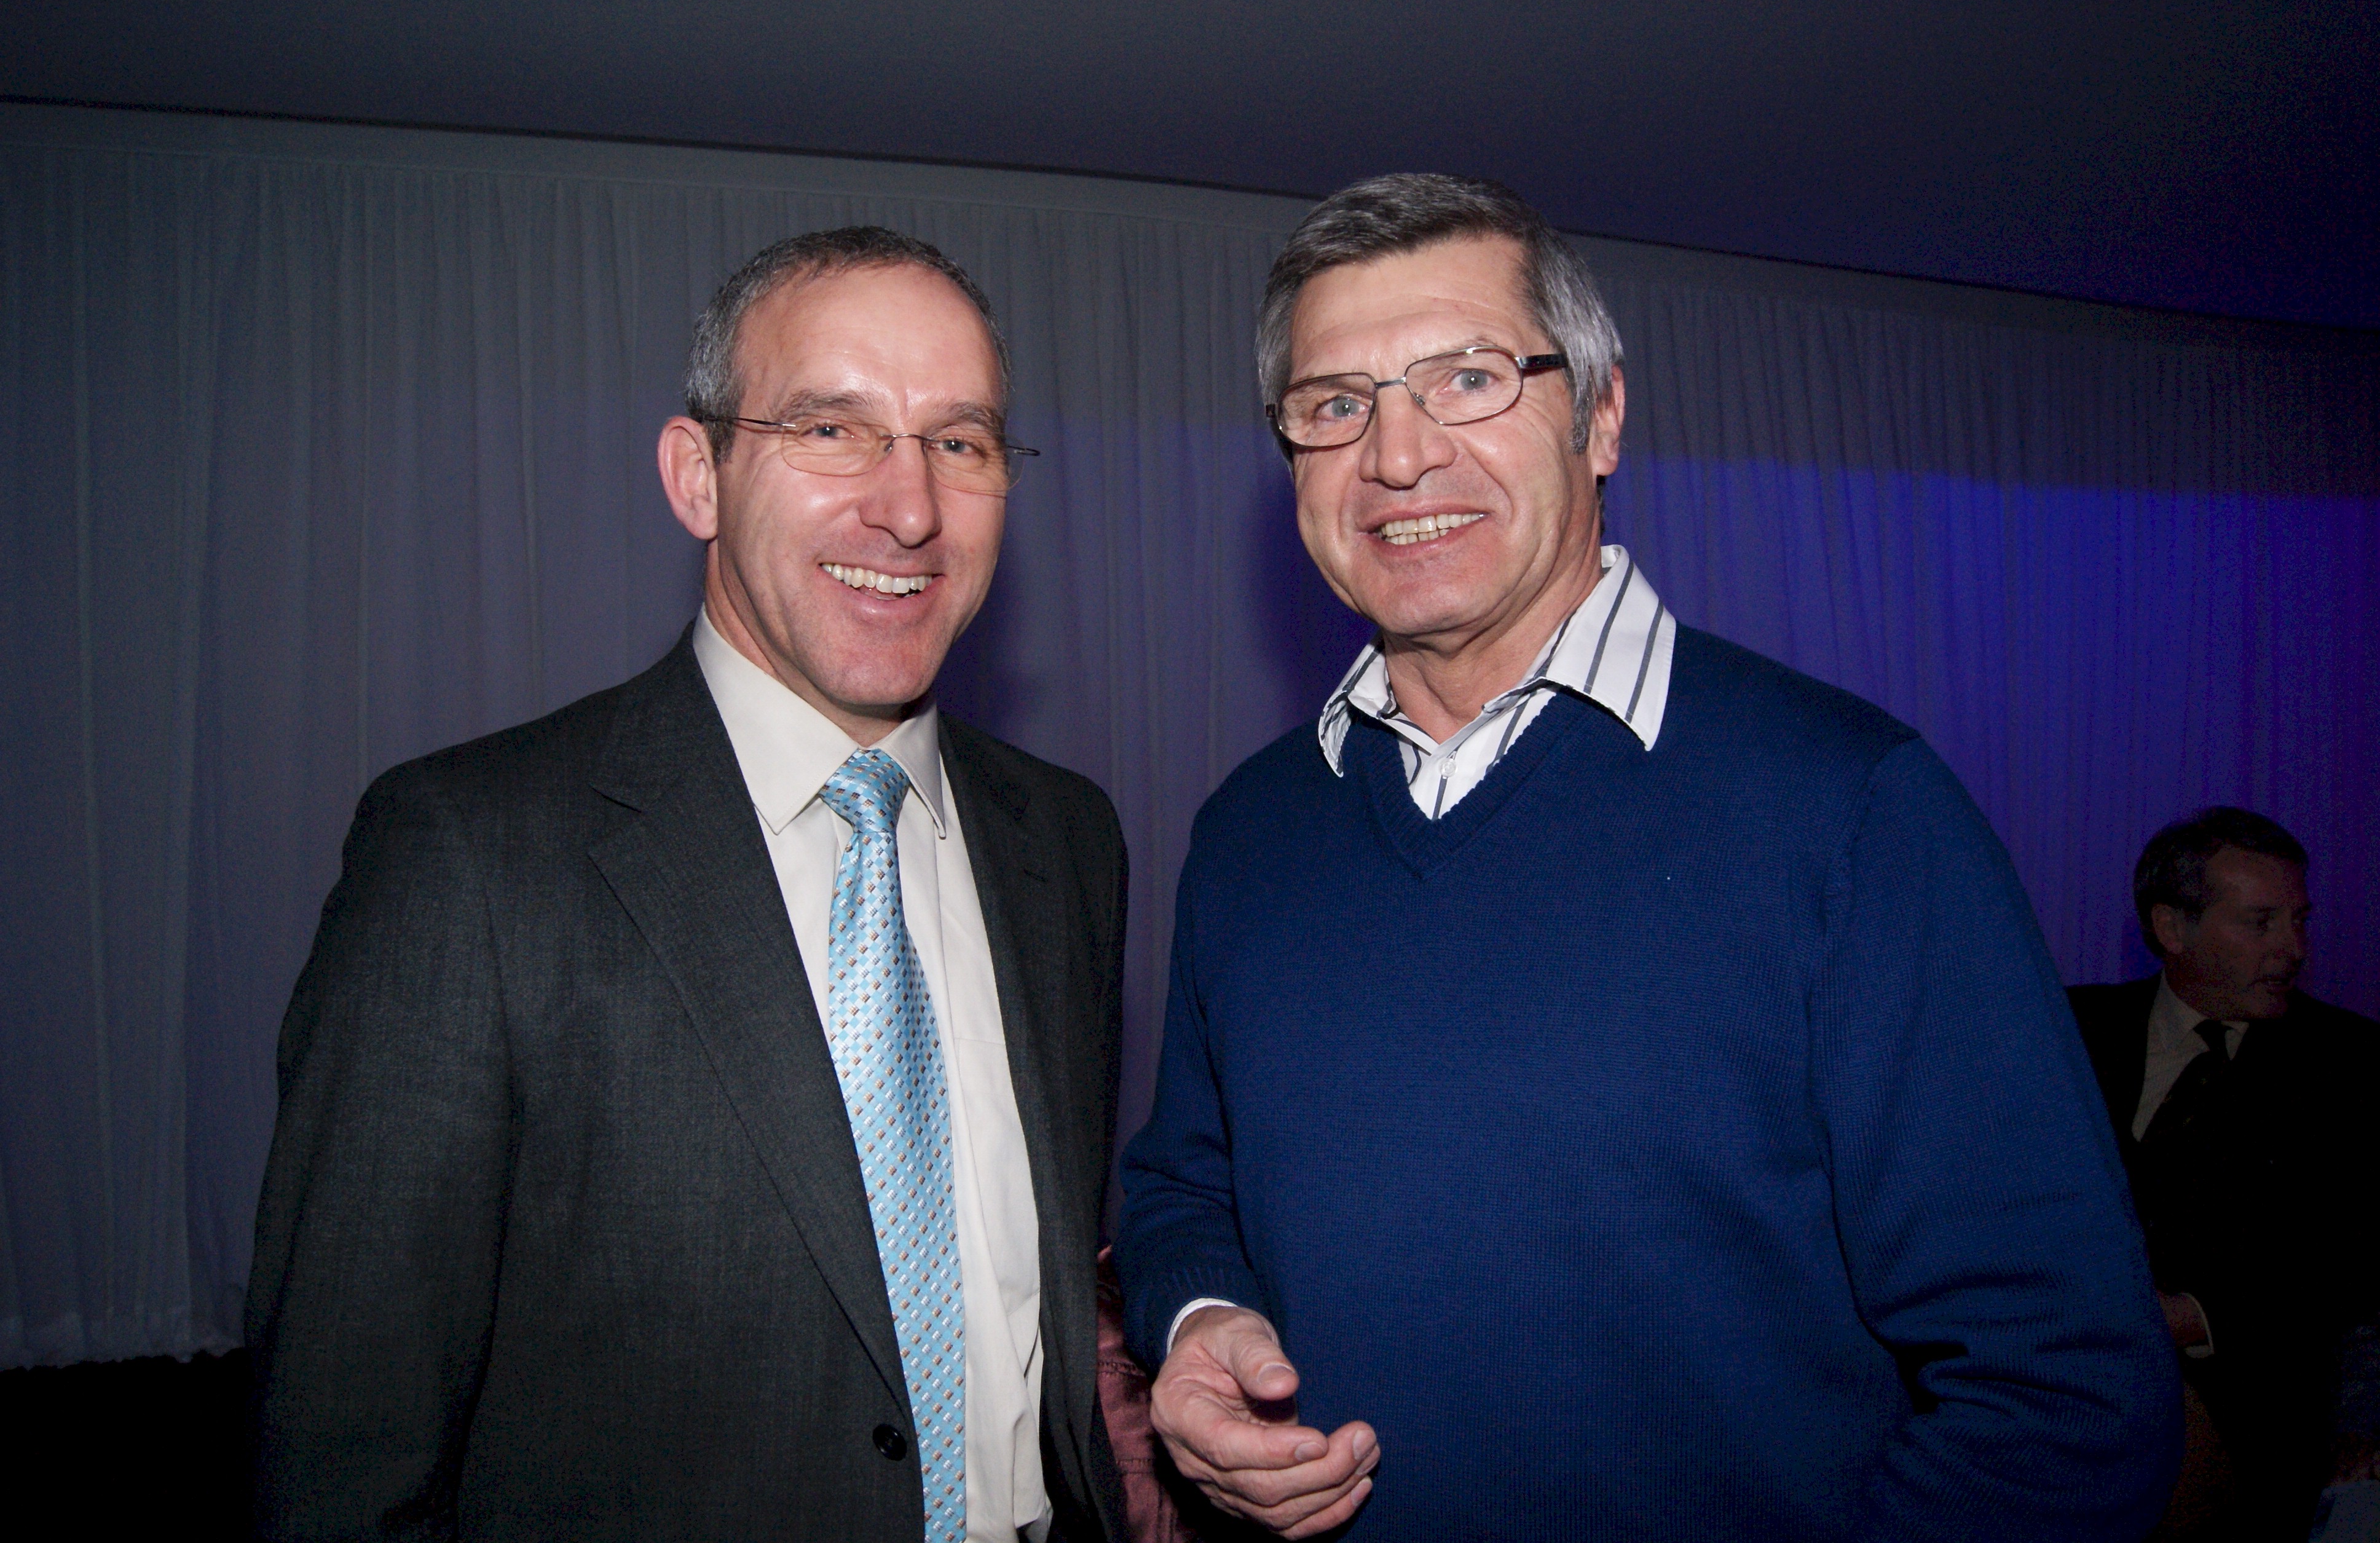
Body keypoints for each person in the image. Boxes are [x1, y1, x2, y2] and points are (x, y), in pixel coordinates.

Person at [1113, 174, 2180, 1541]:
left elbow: (2066, 1398)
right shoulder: (1250, 828)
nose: (1397, 455)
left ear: (1601, 414)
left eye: (1467, 378)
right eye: (1334, 405)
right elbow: (1184, 1183)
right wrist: (1202, 1318)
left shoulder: (1852, 807)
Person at [248, 227, 1126, 1542]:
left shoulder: (1065, 841)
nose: (910, 508)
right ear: (697, 475)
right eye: (831, 429)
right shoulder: (468, 857)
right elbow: (343, 1452)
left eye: (960, 442)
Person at [2070, 808, 2380, 1541]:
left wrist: (2194, 1316)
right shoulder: (2067, 1030)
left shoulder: (2353, 1066)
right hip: (2053, 1414)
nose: (2292, 949)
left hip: (2247, 1437)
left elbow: (2354, 1262)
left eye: (2298, 921)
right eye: (2259, 922)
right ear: (2170, 928)